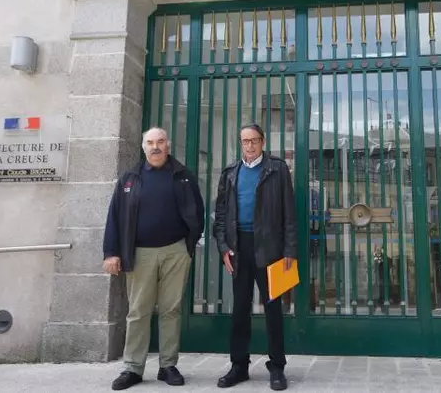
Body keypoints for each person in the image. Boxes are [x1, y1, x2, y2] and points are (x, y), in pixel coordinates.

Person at [103, 127, 204, 390]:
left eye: (160, 142)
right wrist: (111, 252)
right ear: (143, 146)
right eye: (150, 142)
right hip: (139, 254)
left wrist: (188, 246)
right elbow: (114, 217)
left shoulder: (183, 176)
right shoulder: (129, 179)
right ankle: (133, 368)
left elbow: (198, 212)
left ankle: (168, 366)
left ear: (168, 145)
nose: (155, 147)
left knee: (171, 311)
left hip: (175, 252)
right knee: (138, 311)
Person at [213, 123, 297, 391]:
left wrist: (290, 252)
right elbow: (221, 215)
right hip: (239, 248)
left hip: (271, 249)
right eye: (245, 141)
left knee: (273, 309)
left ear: (263, 142)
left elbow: (289, 215)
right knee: (239, 309)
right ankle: (239, 366)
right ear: (240, 143)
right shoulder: (229, 173)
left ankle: (277, 367)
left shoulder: (277, 169)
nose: (249, 146)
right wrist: (223, 248)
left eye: (254, 140)